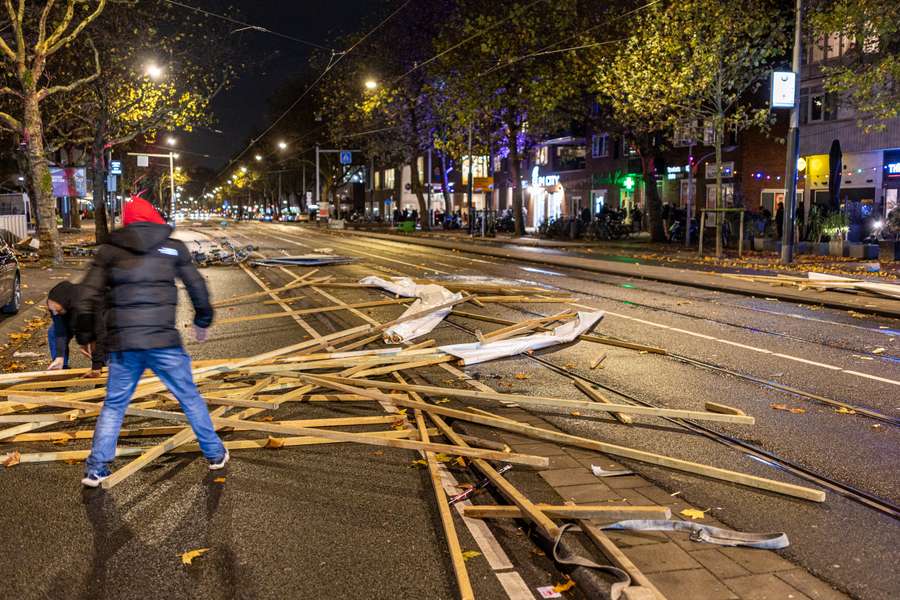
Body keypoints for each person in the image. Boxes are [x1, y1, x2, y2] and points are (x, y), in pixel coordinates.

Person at [76, 196, 228, 487]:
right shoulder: (173, 247)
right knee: (189, 397)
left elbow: (86, 297)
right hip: (163, 341)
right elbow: (196, 284)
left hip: (124, 345)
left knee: (115, 405)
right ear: (154, 217)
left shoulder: (109, 251)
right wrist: (202, 319)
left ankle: (96, 469)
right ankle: (214, 453)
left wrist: (86, 336)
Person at [46, 282, 106, 376]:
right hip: (75, 318)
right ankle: (60, 368)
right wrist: (59, 356)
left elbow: (100, 335)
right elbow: (60, 331)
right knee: (53, 332)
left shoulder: (90, 304)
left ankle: (103, 369)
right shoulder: (55, 306)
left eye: (58, 311)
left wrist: (97, 364)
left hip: (98, 322)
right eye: (53, 310)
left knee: (103, 342)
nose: (55, 313)